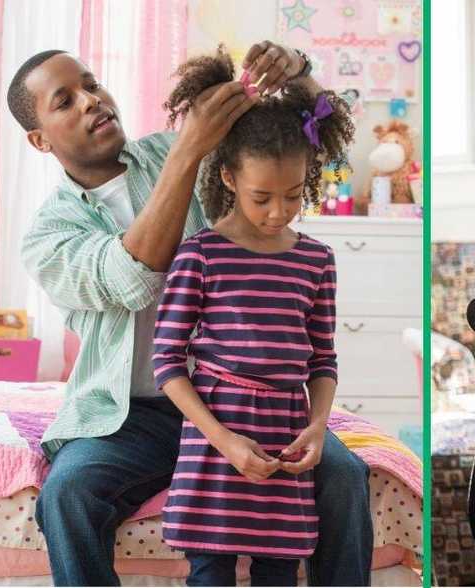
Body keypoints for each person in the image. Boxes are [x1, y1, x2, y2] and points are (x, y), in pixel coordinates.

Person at [12, 40, 372, 586]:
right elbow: (134, 277)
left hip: (245, 397)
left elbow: (302, 130)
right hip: (130, 416)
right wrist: (187, 152)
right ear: (39, 139)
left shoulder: (186, 146)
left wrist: (295, 69)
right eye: (64, 101)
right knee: (69, 493)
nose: (90, 100)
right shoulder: (49, 234)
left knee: (344, 476)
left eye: (91, 82)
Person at [151, 46, 354, 587]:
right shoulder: (201, 254)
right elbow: (167, 362)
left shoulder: (316, 260)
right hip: (218, 437)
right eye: (263, 197)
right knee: (211, 571)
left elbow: (323, 358)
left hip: (286, 432)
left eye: (292, 196)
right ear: (229, 179)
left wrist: (317, 426)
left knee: (278, 571)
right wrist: (224, 440)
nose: (278, 212)